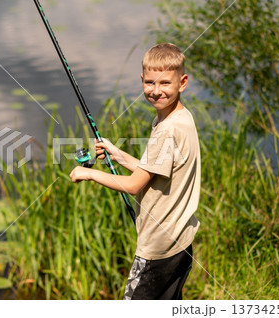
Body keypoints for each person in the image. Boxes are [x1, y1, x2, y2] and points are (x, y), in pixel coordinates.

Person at [69, 43, 201, 300]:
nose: (156, 91)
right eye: (150, 82)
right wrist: (116, 154)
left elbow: (134, 185)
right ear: (142, 80)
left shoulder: (166, 130)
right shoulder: (179, 118)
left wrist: (89, 173)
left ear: (182, 82)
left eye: (165, 83)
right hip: (180, 240)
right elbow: (153, 168)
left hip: (157, 248)